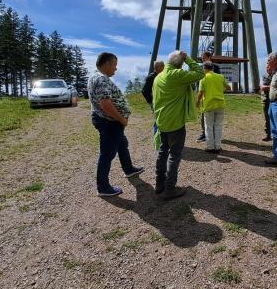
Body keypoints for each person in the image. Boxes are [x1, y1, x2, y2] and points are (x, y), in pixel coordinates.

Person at [87, 52, 144, 197]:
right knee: (107, 153)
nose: (116, 69)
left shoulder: (95, 76)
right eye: (114, 65)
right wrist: (121, 119)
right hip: (109, 121)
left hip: (107, 120)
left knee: (122, 143)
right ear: (106, 63)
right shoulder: (101, 79)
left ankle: (129, 169)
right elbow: (105, 104)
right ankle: (103, 187)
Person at [153, 50, 204, 200]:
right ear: (180, 64)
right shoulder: (177, 75)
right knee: (174, 155)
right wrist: (187, 58)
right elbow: (200, 72)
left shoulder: (159, 76)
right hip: (175, 123)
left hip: (161, 121)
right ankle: (170, 189)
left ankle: (159, 184)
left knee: (163, 152)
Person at [197, 62, 229, 153]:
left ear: (205, 68)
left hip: (209, 105)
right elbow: (228, 87)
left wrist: (197, 102)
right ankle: (218, 146)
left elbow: (200, 93)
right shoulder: (220, 77)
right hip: (220, 104)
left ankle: (210, 147)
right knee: (218, 126)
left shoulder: (203, 78)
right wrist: (221, 90)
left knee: (209, 127)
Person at [196, 52, 221, 142]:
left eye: (204, 57)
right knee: (203, 116)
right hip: (203, 95)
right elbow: (198, 80)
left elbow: (219, 81)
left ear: (210, 57)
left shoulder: (216, 67)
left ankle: (211, 134)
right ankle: (204, 133)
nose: (202, 59)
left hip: (214, 96)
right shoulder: (200, 67)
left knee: (213, 117)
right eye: (202, 58)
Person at [142, 60, 165, 133]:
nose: (163, 67)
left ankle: (161, 137)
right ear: (157, 67)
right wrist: (151, 101)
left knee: (162, 118)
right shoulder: (151, 77)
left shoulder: (162, 75)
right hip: (155, 102)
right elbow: (144, 91)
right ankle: (157, 136)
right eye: (162, 66)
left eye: (163, 65)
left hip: (161, 102)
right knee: (159, 119)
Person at [260, 64, 273, 141]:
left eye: (269, 67)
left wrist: (267, 87)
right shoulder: (263, 75)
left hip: (274, 99)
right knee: (267, 118)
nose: (267, 68)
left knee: (275, 118)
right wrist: (269, 87)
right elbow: (261, 86)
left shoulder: (275, 75)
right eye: (266, 67)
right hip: (265, 100)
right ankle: (268, 135)